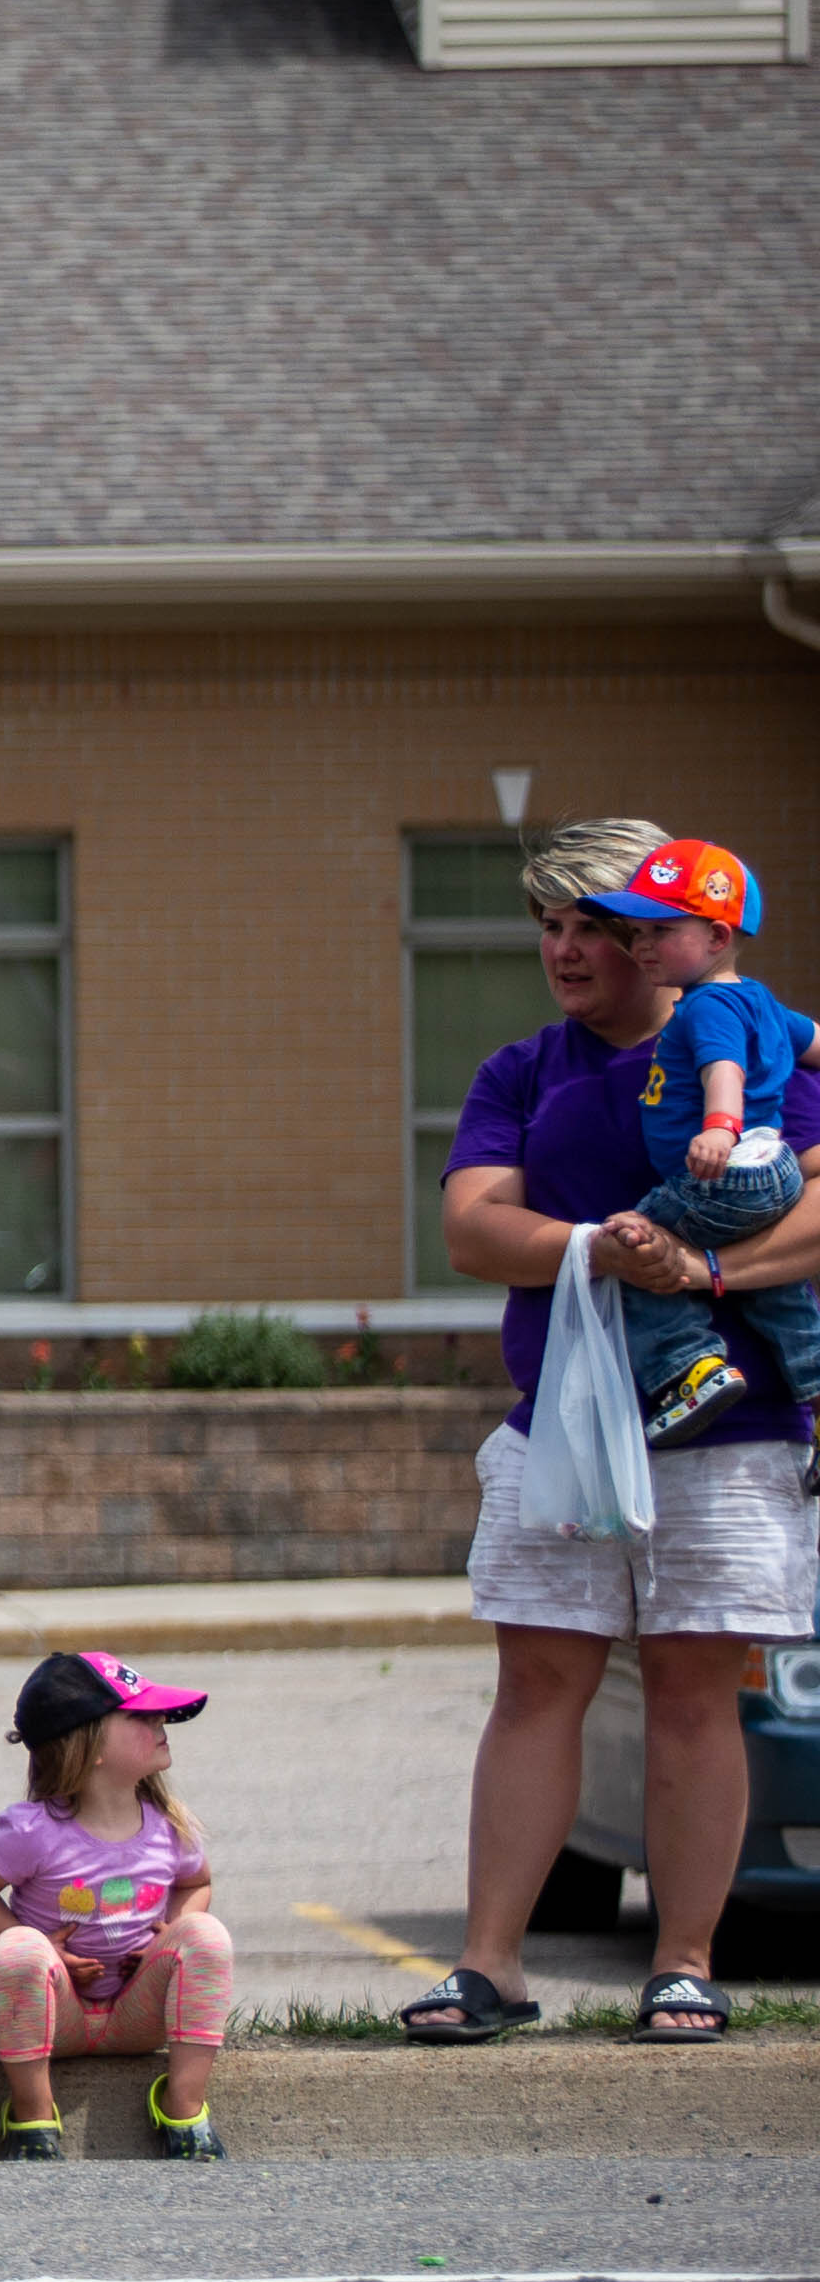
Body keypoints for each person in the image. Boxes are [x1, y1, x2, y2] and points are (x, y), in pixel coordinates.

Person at [410, 817, 820, 2049]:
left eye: (596, 925)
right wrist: (597, 1246)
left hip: (729, 1431)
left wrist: (697, 1267)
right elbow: (476, 1227)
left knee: (697, 1693)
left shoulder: (757, 1042)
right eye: (551, 925)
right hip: (561, 1429)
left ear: (662, 936)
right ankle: (491, 1967)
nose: (567, 948)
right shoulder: (522, 1071)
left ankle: (684, 1966)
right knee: (538, 1685)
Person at [575, 836, 820, 1439]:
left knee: (637, 1251)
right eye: (638, 932)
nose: (642, 945)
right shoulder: (760, 1000)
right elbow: (813, 1039)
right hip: (774, 1171)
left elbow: (723, 1069)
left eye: (661, 929)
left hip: (720, 1173)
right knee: (780, 1293)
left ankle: (689, 1369)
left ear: (716, 937)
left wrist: (718, 1128)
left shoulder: (705, 1007)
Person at [0, 1649, 236, 2161]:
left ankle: (183, 2108)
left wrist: (170, 1934)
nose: (162, 1721)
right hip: (58, 2016)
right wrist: (42, 1949)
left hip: (136, 2013)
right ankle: (33, 2116)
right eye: (141, 1716)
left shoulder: (169, 1826)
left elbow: (198, 1883)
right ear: (90, 1745)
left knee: (208, 1936)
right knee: (18, 1950)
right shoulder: (33, 1831)